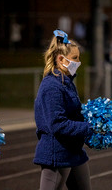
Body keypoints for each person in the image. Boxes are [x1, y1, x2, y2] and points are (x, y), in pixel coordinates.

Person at [33, 29, 92, 190]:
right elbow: (57, 124)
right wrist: (90, 128)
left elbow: (73, 114)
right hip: (57, 154)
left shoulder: (66, 82)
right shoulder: (51, 86)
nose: (78, 62)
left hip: (73, 151)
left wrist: (93, 118)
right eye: (75, 58)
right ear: (61, 59)